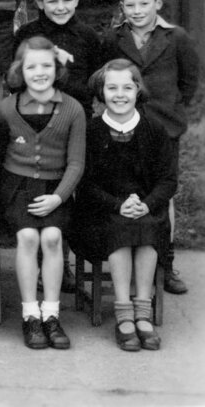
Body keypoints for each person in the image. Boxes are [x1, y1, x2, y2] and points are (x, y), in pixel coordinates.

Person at [103, 0, 200, 295]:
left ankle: (165, 264)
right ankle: (124, 251)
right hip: (123, 124)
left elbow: (188, 82)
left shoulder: (177, 37)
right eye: (130, 5)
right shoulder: (114, 38)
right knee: (124, 188)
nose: (137, 10)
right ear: (122, 7)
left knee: (161, 194)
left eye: (144, 4)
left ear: (157, 4)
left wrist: (170, 110)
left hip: (163, 126)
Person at [72, 59, 175, 351]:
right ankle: (123, 314)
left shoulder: (154, 129)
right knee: (120, 227)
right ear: (101, 92)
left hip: (146, 208)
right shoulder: (91, 131)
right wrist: (118, 205)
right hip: (101, 212)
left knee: (146, 228)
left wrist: (147, 203)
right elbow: (85, 183)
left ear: (137, 90)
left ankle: (143, 312)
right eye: (112, 87)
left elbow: (168, 180)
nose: (120, 94)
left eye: (127, 87)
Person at [0, 37, 85, 350]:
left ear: (56, 69)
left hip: (55, 187)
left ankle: (51, 314)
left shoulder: (72, 108)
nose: (40, 72)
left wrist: (58, 197)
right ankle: (30, 314)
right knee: (29, 237)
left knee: (52, 238)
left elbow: (76, 162)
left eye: (47, 65)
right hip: (16, 187)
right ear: (21, 70)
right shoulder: (6, 108)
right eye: (32, 66)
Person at [14, 0, 103, 112]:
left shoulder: (88, 35)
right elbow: (16, 77)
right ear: (40, 2)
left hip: (78, 113)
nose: (61, 7)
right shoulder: (26, 34)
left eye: (67, 1)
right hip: (36, 112)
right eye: (53, 2)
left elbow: (95, 78)